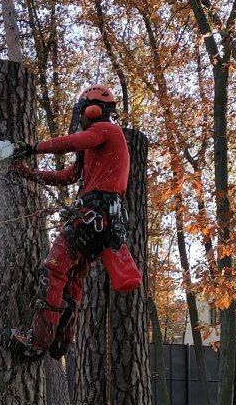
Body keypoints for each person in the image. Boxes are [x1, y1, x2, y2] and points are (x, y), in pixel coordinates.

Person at [9, 84, 142, 360]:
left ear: (93, 109)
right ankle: (61, 341)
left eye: (83, 111)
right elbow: (69, 175)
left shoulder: (106, 129)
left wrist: (32, 148)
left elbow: (74, 141)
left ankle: (39, 340)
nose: (80, 117)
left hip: (92, 217)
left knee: (54, 269)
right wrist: (30, 174)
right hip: (101, 222)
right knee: (72, 279)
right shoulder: (95, 142)